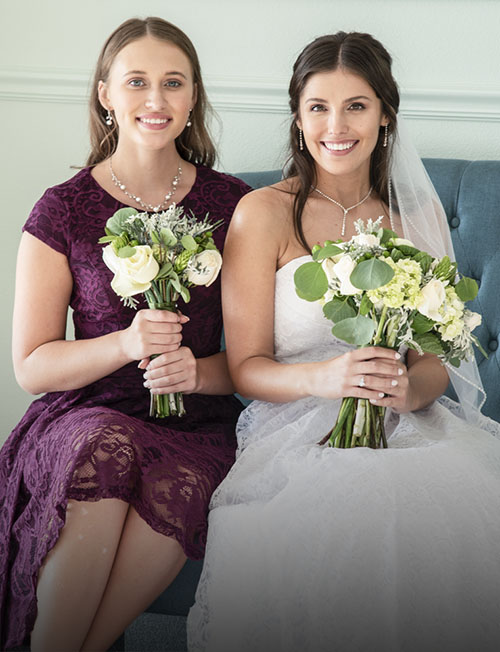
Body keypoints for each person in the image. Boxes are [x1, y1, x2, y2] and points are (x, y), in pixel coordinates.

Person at [187, 32, 500, 652]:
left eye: (356, 105)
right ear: (298, 116)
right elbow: (248, 368)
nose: (337, 125)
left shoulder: (416, 215)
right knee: (363, 506)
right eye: (318, 107)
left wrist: (412, 391)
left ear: (385, 114)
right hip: (298, 421)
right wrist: (327, 378)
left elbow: (436, 359)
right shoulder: (263, 212)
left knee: (450, 498)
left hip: (406, 420)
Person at [0, 16, 250, 652]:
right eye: (137, 82)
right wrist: (126, 343)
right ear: (105, 94)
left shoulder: (234, 206)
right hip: (88, 413)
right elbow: (31, 365)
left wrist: (197, 372)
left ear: (194, 96)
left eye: (173, 83)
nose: (156, 100)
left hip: (195, 423)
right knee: (104, 448)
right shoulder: (61, 208)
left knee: (181, 484)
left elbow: (252, 358)